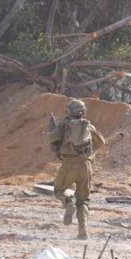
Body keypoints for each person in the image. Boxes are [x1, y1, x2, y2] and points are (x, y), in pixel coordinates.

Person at [47, 98, 105, 239]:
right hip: (86, 166)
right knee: (83, 200)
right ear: (83, 112)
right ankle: (82, 230)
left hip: (68, 164)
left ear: (68, 111)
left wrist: (52, 134)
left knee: (59, 190)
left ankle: (68, 202)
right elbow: (101, 142)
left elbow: (50, 139)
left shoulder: (64, 126)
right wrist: (87, 153)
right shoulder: (88, 126)